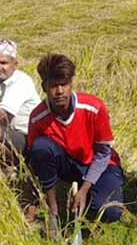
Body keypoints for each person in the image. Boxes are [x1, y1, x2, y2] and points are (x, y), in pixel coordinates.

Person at [26, 54, 125, 227]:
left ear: (71, 84)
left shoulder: (93, 107)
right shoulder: (37, 117)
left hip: (101, 164)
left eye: (64, 85)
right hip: (69, 165)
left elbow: (103, 153)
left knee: (110, 211)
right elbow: (36, 162)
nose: (59, 92)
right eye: (53, 86)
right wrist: (36, 205)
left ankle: (91, 195)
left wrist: (84, 189)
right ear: (44, 87)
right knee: (40, 147)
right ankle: (54, 210)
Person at [0, 38, 42, 221]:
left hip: (30, 137)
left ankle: (16, 169)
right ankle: (10, 171)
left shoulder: (21, 81)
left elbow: (3, 113)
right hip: (11, 137)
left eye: (4, 63)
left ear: (15, 64)